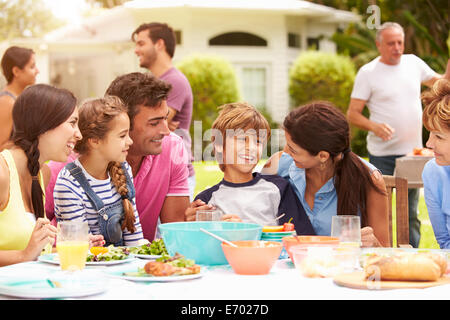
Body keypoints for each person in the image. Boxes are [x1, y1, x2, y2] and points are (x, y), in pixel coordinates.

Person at [45, 72, 190, 241]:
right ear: (120, 121)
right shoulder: (66, 165)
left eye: (166, 118)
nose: (166, 131)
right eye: (154, 123)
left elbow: (176, 230)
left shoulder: (172, 147)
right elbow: (33, 232)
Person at [347, 22, 450, 247]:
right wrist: (374, 127)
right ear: (378, 45)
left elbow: (442, 82)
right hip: (382, 155)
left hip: (412, 153)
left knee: (410, 212)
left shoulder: (413, 63)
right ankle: (381, 253)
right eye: (391, 43)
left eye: (400, 42)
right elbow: (352, 114)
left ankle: (410, 254)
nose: (397, 47)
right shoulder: (368, 73)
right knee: (380, 212)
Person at [262, 101, 390, 247]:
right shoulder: (279, 165)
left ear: (322, 156)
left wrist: (373, 243)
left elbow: (384, 250)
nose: (286, 153)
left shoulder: (369, 179)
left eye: (293, 150)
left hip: (340, 266)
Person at [185, 103, 315, 234]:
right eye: (242, 139)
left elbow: (302, 238)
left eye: (258, 141)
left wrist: (245, 232)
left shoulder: (278, 188)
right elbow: (199, 244)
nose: (251, 147)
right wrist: (191, 226)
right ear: (219, 145)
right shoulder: (206, 201)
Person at [0, 84, 75, 266]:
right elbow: (26, 253)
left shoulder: (42, 174)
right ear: (44, 125)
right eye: (73, 123)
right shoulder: (2, 172)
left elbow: (35, 252)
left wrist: (73, 247)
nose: (78, 134)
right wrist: (23, 256)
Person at [53, 96, 144, 246]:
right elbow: (76, 246)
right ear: (95, 141)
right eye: (122, 135)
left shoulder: (123, 169)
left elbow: (133, 234)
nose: (130, 141)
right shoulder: (69, 184)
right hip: (89, 265)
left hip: (123, 264)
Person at [132, 22, 196, 200]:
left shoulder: (174, 81)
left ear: (159, 44)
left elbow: (151, 125)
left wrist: (153, 122)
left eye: (141, 43)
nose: (136, 50)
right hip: (158, 170)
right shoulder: (155, 83)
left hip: (174, 174)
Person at [421, 79, 450, 249]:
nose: (429, 144)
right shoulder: (433, 172)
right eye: (430, 134)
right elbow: (445, 243)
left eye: (439, 137)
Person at [0, 46, 39, 150]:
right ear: (16, 71)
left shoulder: (19, 99)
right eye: (32, 67)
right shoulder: (7, 102)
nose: (37, 71)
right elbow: (1, 146)